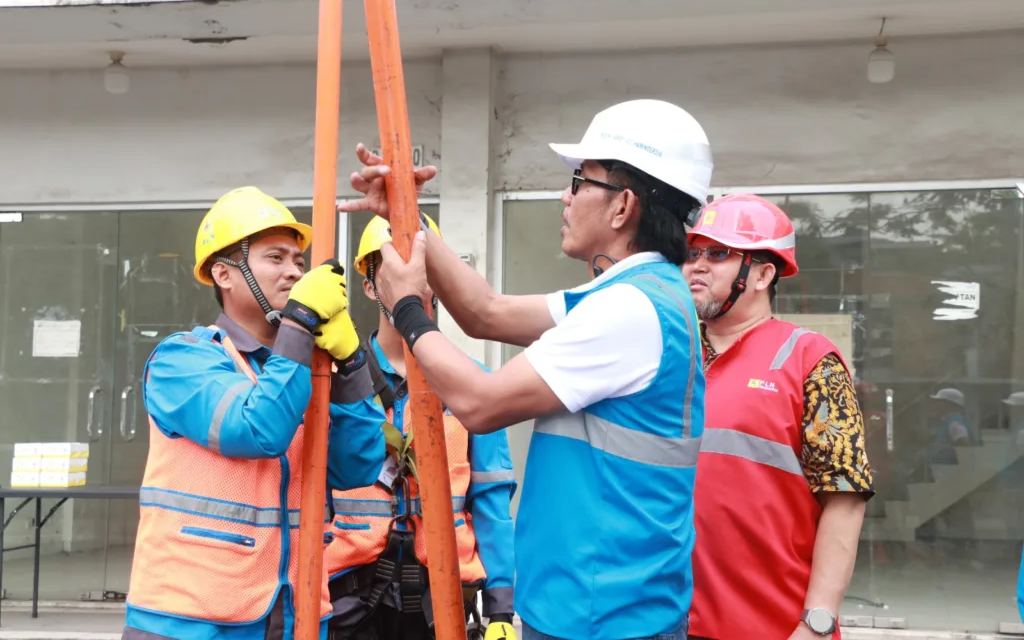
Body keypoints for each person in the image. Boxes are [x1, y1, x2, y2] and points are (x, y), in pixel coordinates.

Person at [339, 98, 711, 640]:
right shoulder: (635, 294)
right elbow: (484, 311)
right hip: (594, 603)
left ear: (622, 205)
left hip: (601, 617)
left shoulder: (630, 311)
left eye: (581, 181)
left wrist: (407, 309)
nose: (566, 196)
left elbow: (480, 405)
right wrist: (407, 215)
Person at [122, 186, 387, 640]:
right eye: (275, 258)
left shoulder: (305, 366)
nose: (294, 273)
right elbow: (256, 430)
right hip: (188, 619)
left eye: (299, 263)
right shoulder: (180, 361)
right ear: (224, 274)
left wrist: (349, 363)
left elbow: (358, 465)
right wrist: (301, 324)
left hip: (293, 615)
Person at [680, 193, 874, 640]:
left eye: (719, 253)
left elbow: (844, 497)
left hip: (773, 626)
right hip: (666, 622)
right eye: (692, 253)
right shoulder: (672, 355)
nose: (697, 265)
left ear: (764, 273)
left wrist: (817, 622)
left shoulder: (810, 360)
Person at [324, 215, 517, 640]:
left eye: (425, 272)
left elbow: (490, 497)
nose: (414, 283)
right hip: (348, 600)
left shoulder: (469, 383)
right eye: (395, 271)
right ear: (371, 286)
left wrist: (501, 609)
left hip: (441, 602)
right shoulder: (337, 381)